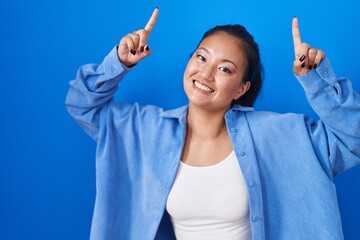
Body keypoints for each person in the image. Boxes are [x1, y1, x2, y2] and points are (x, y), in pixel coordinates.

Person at [66, 7, 360, 240]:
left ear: (242, 88)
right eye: (201, 57)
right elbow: (82, 105)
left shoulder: (279, 135)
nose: (205, 74)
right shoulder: (144, 131)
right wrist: (118, 62)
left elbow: (353, 139)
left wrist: (317, 81)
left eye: (224, 69)